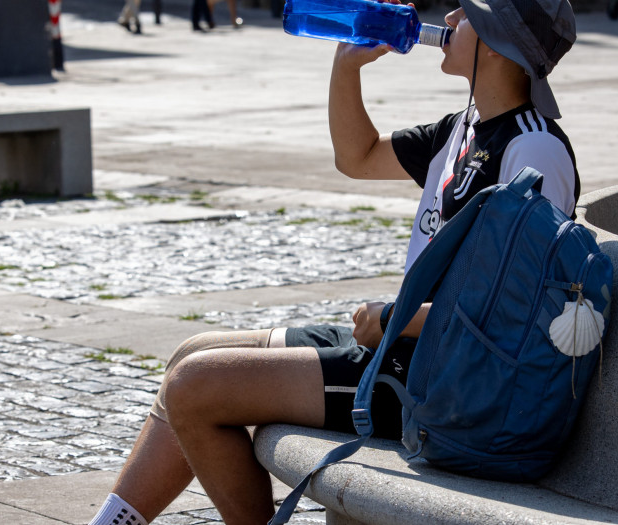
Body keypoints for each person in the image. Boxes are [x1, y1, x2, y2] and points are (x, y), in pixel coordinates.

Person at [85, 0, 579, 523]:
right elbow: (358, 156)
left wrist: (394, 319)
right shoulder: (465, 127)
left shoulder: (533, 149)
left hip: (442, 383)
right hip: (405, 348)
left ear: (500, 42)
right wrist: (347, 66)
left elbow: (515, 315)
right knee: (192, 352)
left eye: (468, 12)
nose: (450, 18)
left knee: (194, 388)